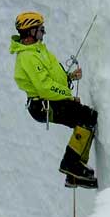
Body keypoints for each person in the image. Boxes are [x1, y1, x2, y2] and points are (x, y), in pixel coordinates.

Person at [9, 11, 98, 189]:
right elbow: (43, 87)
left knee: (86, 118)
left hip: (49, 102)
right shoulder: (28, 56)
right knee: (87, 117)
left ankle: (74, 171)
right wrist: (69, 96)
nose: (44, 32)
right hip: (43, 105)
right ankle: (72, 166)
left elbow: (51, 78)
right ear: (31, 31)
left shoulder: (38, 50)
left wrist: (69, 77)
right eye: (41, 29)